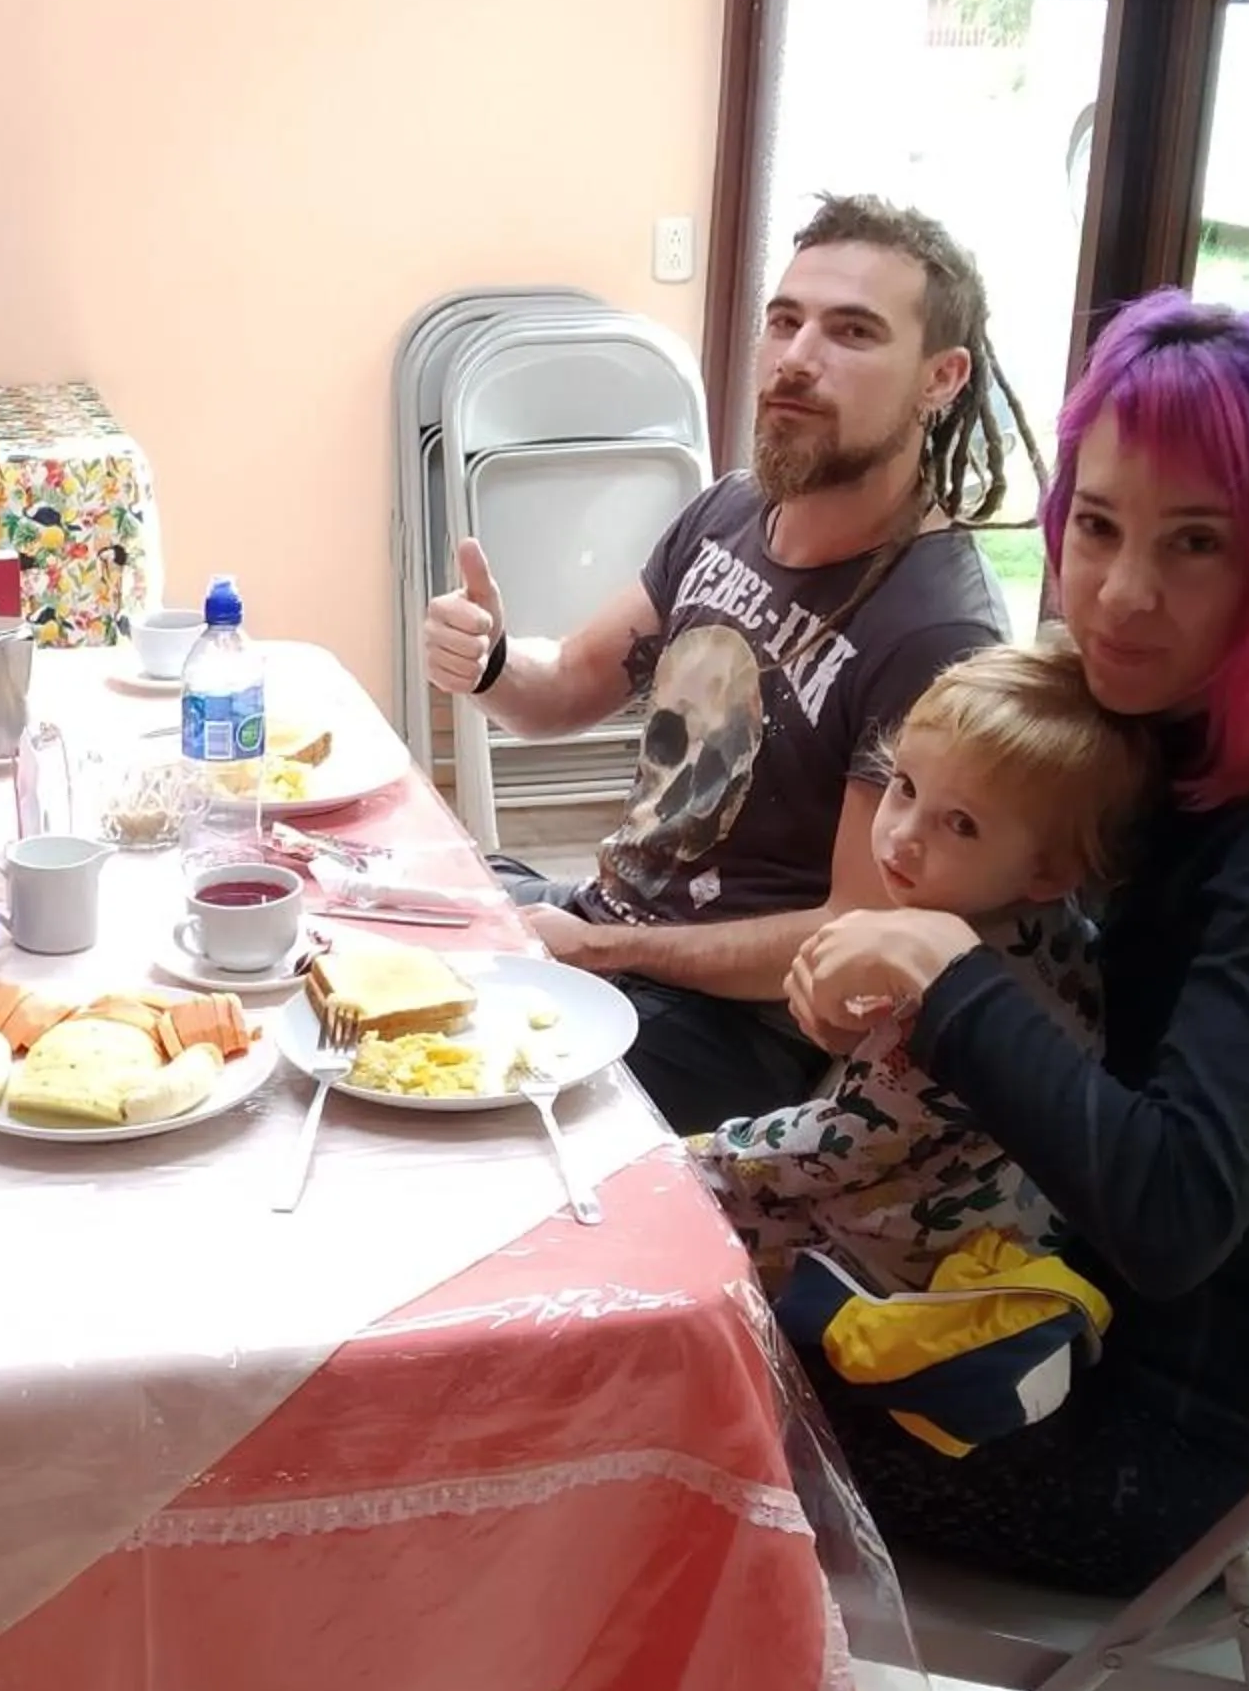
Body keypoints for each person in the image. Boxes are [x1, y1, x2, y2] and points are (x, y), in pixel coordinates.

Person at [783, 289, 1249, 1598]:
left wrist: (943, 972)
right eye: (1095, 525)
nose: (1123, 594)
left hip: (1169, 1450)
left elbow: (1170, 1212)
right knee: (654, 1287)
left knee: (661, 1371)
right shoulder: (1142, 729)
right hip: (1015, 1299)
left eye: (1196, 542)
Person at [421, 195, 1025, 1133]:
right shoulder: (729, 513)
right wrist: (494, 661)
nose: (796, 356)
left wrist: (606, 952)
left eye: (851, 332)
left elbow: (849, 935)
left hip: (729, 1031)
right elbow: (565, 689)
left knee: (436, 1089)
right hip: (603, 927)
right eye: (784, 321)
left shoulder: (935, 633)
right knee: (359, 930)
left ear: (940, 378)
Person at [698, 633, 1156, 1291]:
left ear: (1049, 870)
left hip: (895, 1260)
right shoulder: (1053, 932)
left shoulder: (958, 992)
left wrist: (700, 1158)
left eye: (961, 824)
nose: (903, 836)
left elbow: (834, 1148)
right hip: (995, 1213)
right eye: (905, 785)